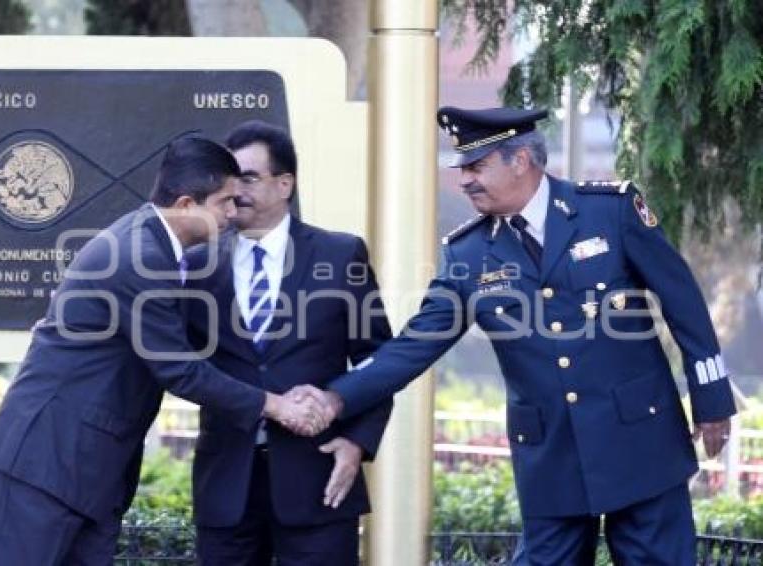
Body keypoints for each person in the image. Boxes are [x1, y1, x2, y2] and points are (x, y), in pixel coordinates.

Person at [302, 107, 737, 564]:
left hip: (639, 440)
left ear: (521, 160)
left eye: (476, 166)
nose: (465, 180)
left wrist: (712, 398)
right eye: (463, 169)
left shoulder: (609, 211)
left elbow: (683, 302)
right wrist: (336, 398)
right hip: (551, 457)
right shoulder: (468, 254)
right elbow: (414, 345)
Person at [0, 135, 324, 565]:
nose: (234, 213)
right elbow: (181, 371)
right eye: (224, 202)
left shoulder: (154, 248)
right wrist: (277, 405)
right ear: (186, 204)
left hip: (89, 469)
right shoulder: (141, 257)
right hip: (48, 462)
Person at [184, 120, 393, 566]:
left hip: (319, 479)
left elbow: (379, 361)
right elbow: (180, 362)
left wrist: (357, 442)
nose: (235, 190)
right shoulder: (196, 263)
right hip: (226, 483)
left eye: (248, 177)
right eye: (228, 179)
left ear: (285, 184)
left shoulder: (340, 255)